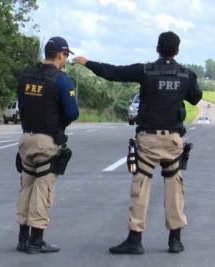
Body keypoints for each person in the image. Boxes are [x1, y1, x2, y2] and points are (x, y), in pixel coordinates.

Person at [74, 31, 202, 254]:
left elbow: (113, 72)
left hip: (148, 139)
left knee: (141, 186)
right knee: (174, 187)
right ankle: (175, 239)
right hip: (172, 139)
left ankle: (135, 239)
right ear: (178, 51)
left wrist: (87, 62)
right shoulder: (186, 75)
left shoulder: (145, 71)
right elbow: (195, 97)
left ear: (157, 49)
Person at [15, 36, 79, 254]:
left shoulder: (26, 75)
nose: (65, 60)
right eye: (65, 56)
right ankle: (36, 240)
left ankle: (22, 238)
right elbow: (72, 113)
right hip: (47, 142)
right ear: (60, 55)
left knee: (26, 187)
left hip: (26, 139)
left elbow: (21, 105)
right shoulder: (61, 80)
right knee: (43, 190)